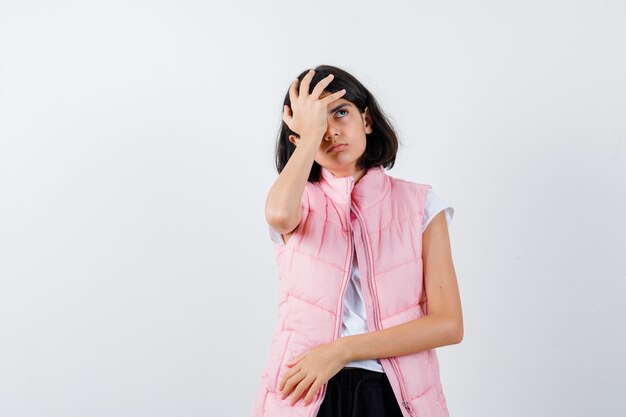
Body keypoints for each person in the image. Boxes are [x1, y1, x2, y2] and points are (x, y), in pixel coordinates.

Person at [251, 65, 463, 417]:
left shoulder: (421, 205)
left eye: (340, 112)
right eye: (318, 123)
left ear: (367, 120)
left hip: (392, 393)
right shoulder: (298, 201)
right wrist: (309, 137)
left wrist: (341, 350)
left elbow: (448, 324)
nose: (331, 131)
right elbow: (277, 215)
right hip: (306, 391)